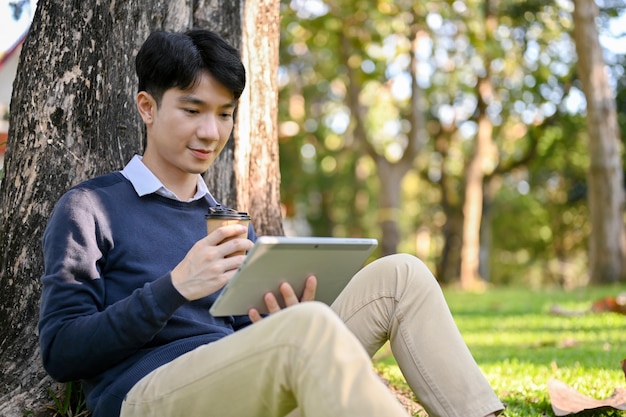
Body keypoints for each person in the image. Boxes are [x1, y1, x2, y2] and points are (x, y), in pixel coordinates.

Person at [38, 28, 504, 417]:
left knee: (401, 276)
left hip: (244, 383)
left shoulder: (227, 221)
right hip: (147, 392)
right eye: (193, 110)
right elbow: (61, 352)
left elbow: (245, 338)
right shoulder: (90, 208)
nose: (210, 132)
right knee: (307, 330)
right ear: (148, 107)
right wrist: (175, 286)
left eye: (225, 115)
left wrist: (276, 319)